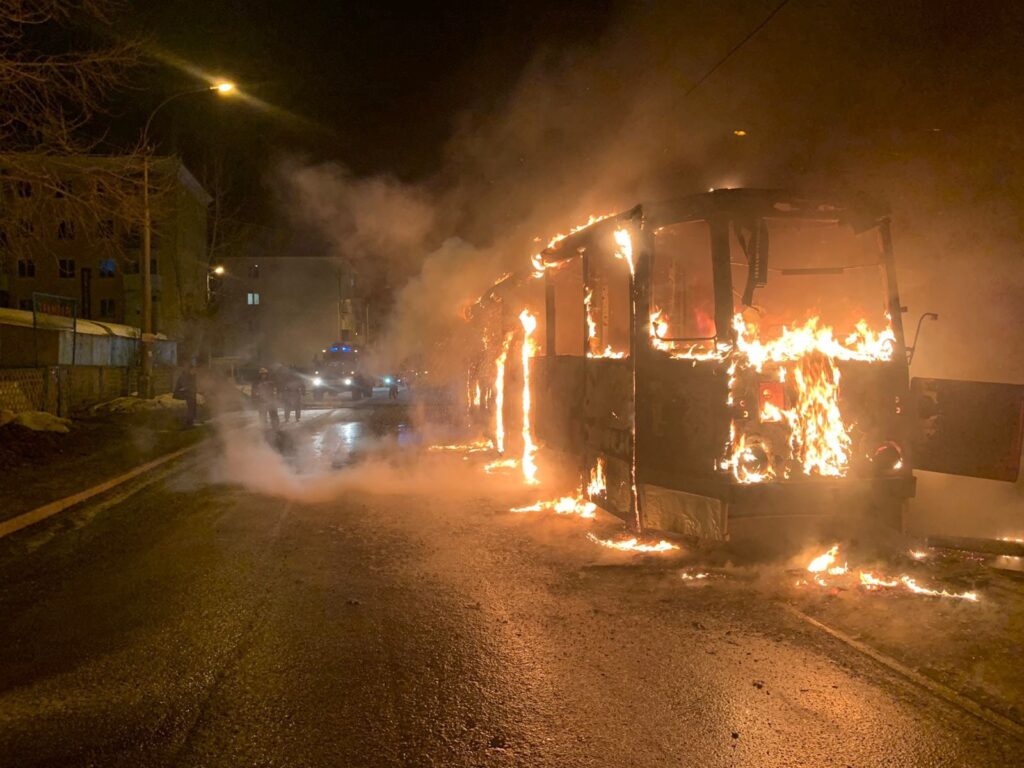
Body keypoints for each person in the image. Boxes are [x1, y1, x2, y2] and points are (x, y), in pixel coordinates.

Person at [173, 362, 198, 428]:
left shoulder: (192, 376)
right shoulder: (184, 376)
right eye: (193, 370)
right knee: (191, 402)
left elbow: (193, 386)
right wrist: (190, 390)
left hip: (189, 394)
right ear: (190, 370)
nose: (194, 371)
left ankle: (191, 421)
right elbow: (184, 386)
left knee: (193, 401)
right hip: (181, 393)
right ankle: (188, 422)